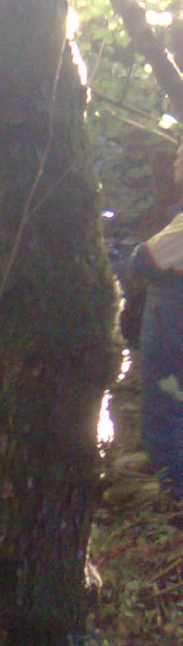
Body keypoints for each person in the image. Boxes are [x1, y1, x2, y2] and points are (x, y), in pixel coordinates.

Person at [128, 142, 183, 500]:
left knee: (166, 409)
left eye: (182, 155)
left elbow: (141, 261)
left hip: (173, 325)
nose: (176, 160)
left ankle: (175, 497)